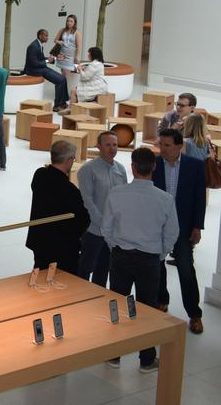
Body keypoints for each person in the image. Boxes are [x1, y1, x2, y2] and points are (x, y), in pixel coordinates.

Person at [101, 147, 179, 373]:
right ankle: (146, 358)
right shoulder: (165, 199)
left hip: (121, 257)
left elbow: (106, 228)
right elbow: (172, 232)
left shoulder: (116, 193)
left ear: (132, 168)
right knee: (147, 309)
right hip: (149, 260)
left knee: (117, 304)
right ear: (154, 167)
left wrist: (115, 247)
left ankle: (113, 355)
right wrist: (161, 253)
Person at [154, 129, 207, 334]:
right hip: (157, 227)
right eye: (161, 145)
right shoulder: (154, 164)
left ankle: (194, 314)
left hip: (183, 228)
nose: (163, 149)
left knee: (186, 270)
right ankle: (161, 301)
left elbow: (199, 199)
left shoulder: (194, 166)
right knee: (157, 267)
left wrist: (197, 226)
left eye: (167, 145)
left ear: (178, 146)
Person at [24, 140, 90, 274]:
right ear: (69, 160)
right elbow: (83, 220)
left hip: (40, 241)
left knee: (40, 276)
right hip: (62, 248)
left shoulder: (40, 175)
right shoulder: (70, 190)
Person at [77, 131, 128, 286]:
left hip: (113, 233)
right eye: (108, 145)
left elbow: (124, 197)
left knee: (104, 268)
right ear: (98, 146)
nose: (112, 149)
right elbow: (87, 201)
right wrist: (103, 223)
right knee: (85, 269)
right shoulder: (88, 169)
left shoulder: (120, 169)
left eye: (115, 145)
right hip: (94, 230)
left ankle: (98, 300)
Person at [23, 29, 69, 112]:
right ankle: (57, 105)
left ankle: (62, 103)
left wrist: (54, 58)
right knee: (60, 80)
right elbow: (34, 63)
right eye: (46, 35)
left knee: (63, 78)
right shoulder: (33, 46)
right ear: (40, 36)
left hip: (40, 68)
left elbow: (41, 59)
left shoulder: (38, 45)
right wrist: (47, 61)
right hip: (33, 70)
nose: (47, 37)